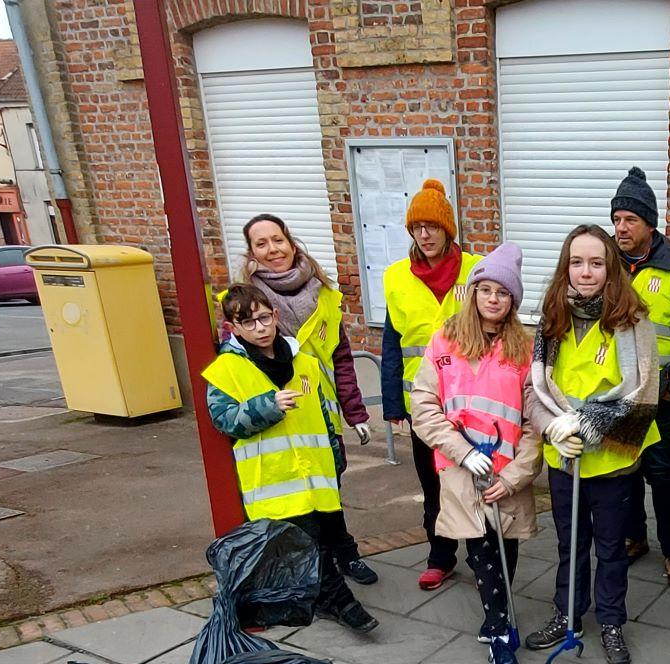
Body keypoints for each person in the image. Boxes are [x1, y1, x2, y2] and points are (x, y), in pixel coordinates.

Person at [205, 283, 378, 633]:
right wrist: (267, 407)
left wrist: (334, 456)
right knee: (309, 542)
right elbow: (224, 420)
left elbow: (324, 415)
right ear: (234, 328)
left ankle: (314, 596)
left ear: (276, 315)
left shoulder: (305, 363)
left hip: (316, 474)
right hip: (275, 479)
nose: (260, 327)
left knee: (325, 538)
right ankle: (341, 601)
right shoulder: (225, 371)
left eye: (264, 318)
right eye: (248, 323)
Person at [526, 224, 661, 664]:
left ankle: (611, 620)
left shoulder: (633, 320)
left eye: (597, 263)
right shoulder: (552, 319)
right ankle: (568, 614)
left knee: (610, 546)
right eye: (577, 262)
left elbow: (641, 390)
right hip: (564, 455)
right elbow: (536, 387)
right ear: (566, 266)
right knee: (570, 543)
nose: (586, 272)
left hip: (612, 457)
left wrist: (587, 424)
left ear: (611, 268)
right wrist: (555, 428)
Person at [409, 244, 541, 664]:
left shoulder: (524, 350)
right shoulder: (444, 340)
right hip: (464, 471)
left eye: (502, 292)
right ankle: (502, 637)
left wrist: (515, 475)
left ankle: (493, 621)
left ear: (512, 301)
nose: (492, 299)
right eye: (484, 289)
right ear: (472, 292)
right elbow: (424, 405)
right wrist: (463, 453)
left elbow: (533, 420)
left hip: (506, 476)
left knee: (507, 556)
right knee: (483, 554)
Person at [235, 213, 377, 585]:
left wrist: (355, 411)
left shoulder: (324, 294)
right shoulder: (242, 304)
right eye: (261, 243)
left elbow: (341, 357)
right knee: (297, 499)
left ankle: (344, 556)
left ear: (291, 242)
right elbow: (236, 362)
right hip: (282, 414)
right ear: (251, 253)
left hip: (323, 413)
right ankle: (317, 568)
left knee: (330, 487)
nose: (272, 250)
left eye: (277, 240)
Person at [381, 179, 482, 592]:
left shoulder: (476, 269)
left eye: (432, 226)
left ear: (448, 229)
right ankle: (440, 556)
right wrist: (392, 405)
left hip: (473, 399)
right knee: (433, 482)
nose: (424, 235)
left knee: (475, 479)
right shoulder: (396, 278)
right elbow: (392, 343)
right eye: (417, 227)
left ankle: (482, 557)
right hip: (423, 403)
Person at [609, 166, 670, 590]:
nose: (621, 227)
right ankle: (635, 538)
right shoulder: (604, 266)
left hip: (663, 396)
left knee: (662, 475)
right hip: (619, 394)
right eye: (616, 219)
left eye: (630, 219)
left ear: (650, 223)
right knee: (624, 470)